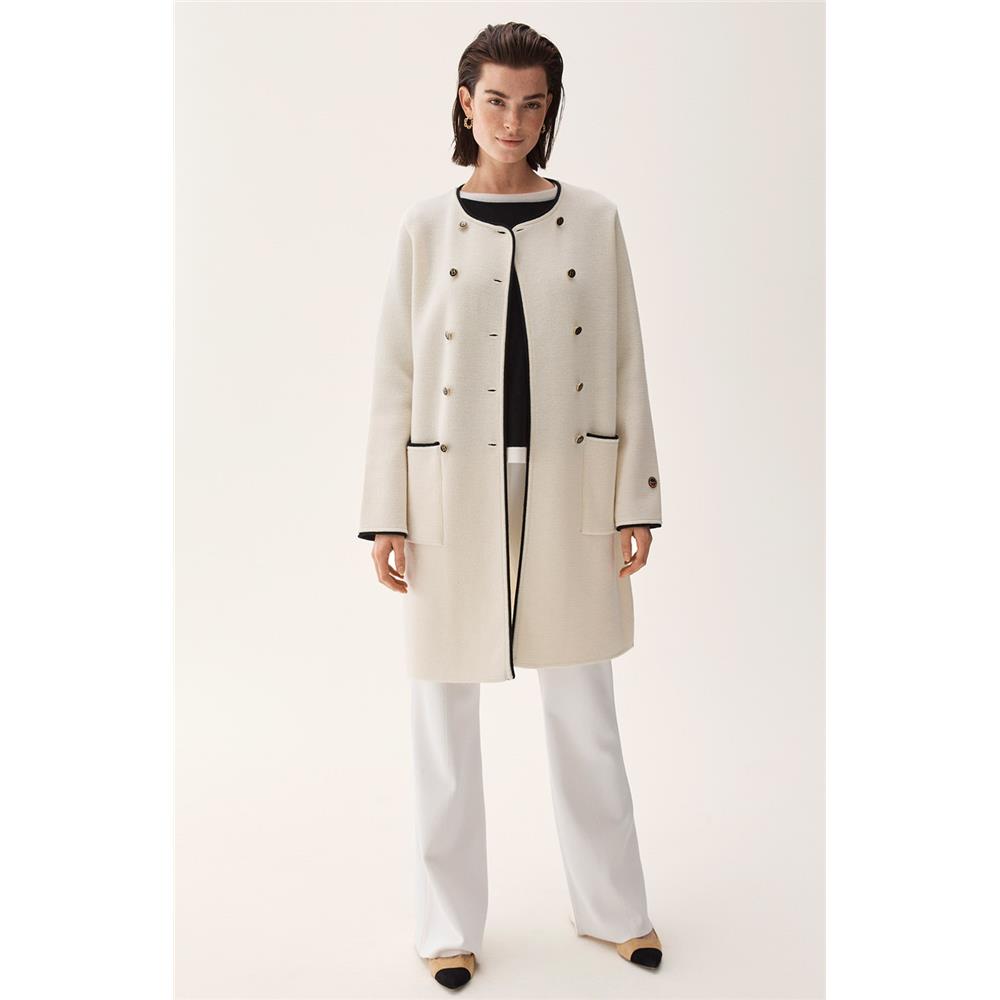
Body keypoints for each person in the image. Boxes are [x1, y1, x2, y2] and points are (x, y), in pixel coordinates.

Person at [358, 22, 663, 990]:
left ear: (549, 109)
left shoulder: (596, 219)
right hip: (450, 492)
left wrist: (636, 497)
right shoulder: (424, 227)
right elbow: (395, 376)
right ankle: (446, 927)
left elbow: (625, 360)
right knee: (442, 722)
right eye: (495, 99)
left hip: (571, 485)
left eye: (532, 103)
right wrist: (387, 511)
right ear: (465, 102)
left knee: (585, 713)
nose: (513, 120)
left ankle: (613, 910)